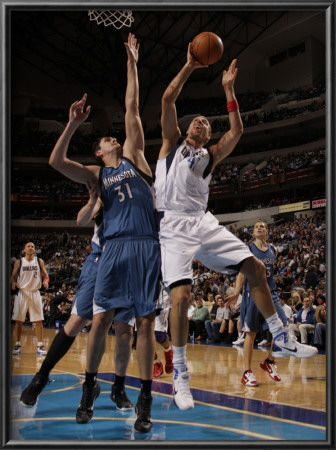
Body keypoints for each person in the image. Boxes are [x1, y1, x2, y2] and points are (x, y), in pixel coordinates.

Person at [154, 42, 317, 410]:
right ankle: (180, 375)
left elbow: (237, 130)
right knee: (180, 298)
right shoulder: (169, 146)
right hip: (173, 227)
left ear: (209, 137)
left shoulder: (209, 156)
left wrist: (229, 92)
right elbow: (166, 100)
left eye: (207, 123)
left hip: (203, 221)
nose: (201, 122)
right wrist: (190, 66)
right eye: (196, 119)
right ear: (186, 128)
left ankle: (281, 336)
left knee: (256, 266)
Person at [48, 34, 161, 433]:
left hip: (147, 246)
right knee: (100, 323)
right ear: (99, 151)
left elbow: (131, 106)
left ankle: (145, 399)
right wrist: (73, 123)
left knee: (144, 324)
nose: (113, 136)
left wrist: (132, 62)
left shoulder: (136, 158)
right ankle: (89, 390)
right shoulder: (98, 175)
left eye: (114, 136)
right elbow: (57, 161)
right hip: (112, 249)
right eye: (106, 139)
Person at [19, 186, 133, 413]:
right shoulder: (109, 187)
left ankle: (118, 388)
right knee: (76, 322)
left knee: (125, 331)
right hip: (101, 260)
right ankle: (41, 377)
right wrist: (93, 201)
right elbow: (82, 219)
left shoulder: (140, 187)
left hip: (128, 263)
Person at [226, 220, 288, 386]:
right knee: (251, 333)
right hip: (252, 293)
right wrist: (237, 292)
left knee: (282, 328)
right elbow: (241, 273)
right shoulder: (248, 249)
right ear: (253, 231)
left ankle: (269, 361)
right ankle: (247, 372)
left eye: (263, 226)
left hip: (271, 293)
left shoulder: (273, 249)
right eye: (257, 226)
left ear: (267, 231)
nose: (260, 228)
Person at [11, 241, 50, 356]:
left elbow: (46, 275)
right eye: (28, 246)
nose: (30, 248)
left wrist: (46, 281)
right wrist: (13, 283)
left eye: (32, 247)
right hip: (22, 292)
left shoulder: (39, 261)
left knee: (38, 320)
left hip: (35, 292)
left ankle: (40, 345)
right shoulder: (19, 262)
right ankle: (17, 344)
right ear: (24, 249)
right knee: (19, 320)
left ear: (34, 249)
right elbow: (13, 277)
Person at [152, 287, 174, 378]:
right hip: (142, 297)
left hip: (161, 299)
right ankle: (156, 363)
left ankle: (168, 353)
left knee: (158, 334)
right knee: (144, 337)